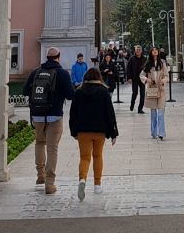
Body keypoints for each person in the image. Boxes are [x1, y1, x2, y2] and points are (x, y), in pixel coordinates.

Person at [22, 47, 75, 194]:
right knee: (52, 148)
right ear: (58, 57)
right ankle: (50, 184)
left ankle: (40, 175)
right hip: (55, 116)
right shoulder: (63, 73)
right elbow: (71, 95)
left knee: (39, 143)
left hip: (37, 115)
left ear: (46, 57)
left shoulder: (36, 71)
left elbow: (25, 91)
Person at [69, 67, 119, 201]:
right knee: (97, 156)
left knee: (84, 157)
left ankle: (82, 179)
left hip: (82, 130)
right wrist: (113, 132)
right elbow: (109, 112)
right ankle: (97, 185)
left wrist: (73, 131)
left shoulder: (79, 91)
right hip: (99, 129)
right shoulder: (103, 91)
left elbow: (73, 113)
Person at [140, 46, 168, 139]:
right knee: (153, 112)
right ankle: (153, 132)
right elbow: (142, 75)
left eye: (156, 50)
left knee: (161, 111)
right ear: (151, 53)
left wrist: (163, 81)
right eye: (153, 50)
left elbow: (166, 76)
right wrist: (146, 80)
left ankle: (161, 133)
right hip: (151, 89)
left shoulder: (162, 63)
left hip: (160, 89)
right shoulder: (148, 63)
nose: (155, 51)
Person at [126, 44, 146, 112]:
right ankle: (132, 105)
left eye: (139, 50)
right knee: (135, 93)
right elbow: (128, 69)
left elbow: (147, 69)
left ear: (141, 51)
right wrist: (129, 78)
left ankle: (140, 108)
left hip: (142, 79)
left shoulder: (144, 59)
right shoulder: (131, 59)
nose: (138, 51)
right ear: (135, 50)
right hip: (134, 78)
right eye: (137, 49)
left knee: (142, 94)